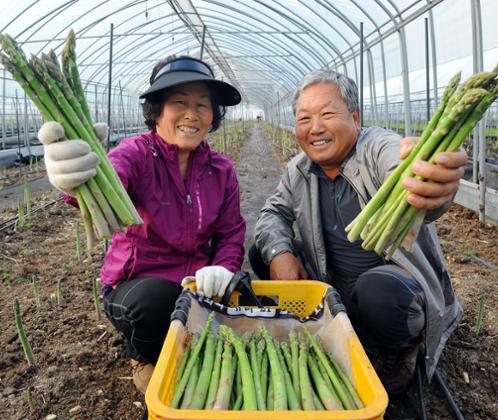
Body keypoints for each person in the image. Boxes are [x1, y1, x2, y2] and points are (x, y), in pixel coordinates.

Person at [250, 70, 465, 399]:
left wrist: (430, 181)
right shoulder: (300, 169)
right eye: (304, 118)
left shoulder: (377, 149)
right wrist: (280, 252)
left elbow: (406, 171)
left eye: (327, 114)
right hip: (332, 283)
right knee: (262, 251)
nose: (315, 128)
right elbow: (272, 213)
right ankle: (316, 322)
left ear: (355, 116)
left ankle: (399, 351)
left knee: (378, 291)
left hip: (392, 287)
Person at [38, 55, 246, 393]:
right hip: (137, 287)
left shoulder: (220, 169)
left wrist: (222, 268)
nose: (192, 113)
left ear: (213, 116)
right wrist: (74, 180)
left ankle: (195, 343)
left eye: (202, 105)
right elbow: (106, 184)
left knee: (243, 294)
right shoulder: (134, 154)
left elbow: (231, 232)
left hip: (196, 283)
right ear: (157, 110)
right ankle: (145, 356)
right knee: (156, 300)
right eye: (180, 102)